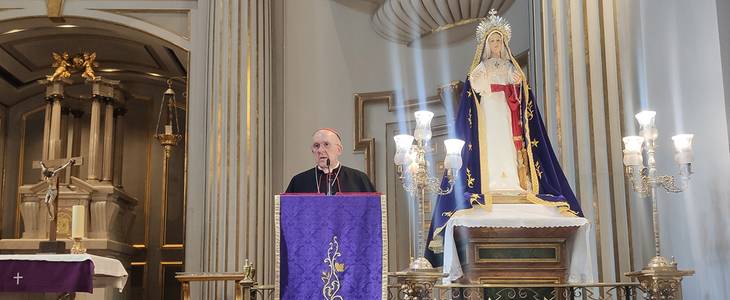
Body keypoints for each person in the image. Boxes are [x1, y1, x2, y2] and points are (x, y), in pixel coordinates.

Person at [425, 9, 584, 266]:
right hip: (490, 118)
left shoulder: (513, 70)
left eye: (500, 41)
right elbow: (473, 97)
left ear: (505, 44)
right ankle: (492, 184)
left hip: (510, 119)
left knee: (511, 151)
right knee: (493, 149)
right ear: (486, 45)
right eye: (493, 41)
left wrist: (513, 95)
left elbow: (524, 100)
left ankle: (514, 182)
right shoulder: (480, 71)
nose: (497, 45)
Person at [285, 128, 376, 193]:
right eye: (316, 146)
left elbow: (372, 212)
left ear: (339, 150)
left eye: (326, 144)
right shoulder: (299, 181)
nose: (320, 150)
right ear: (312, 150)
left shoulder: (359, 179)